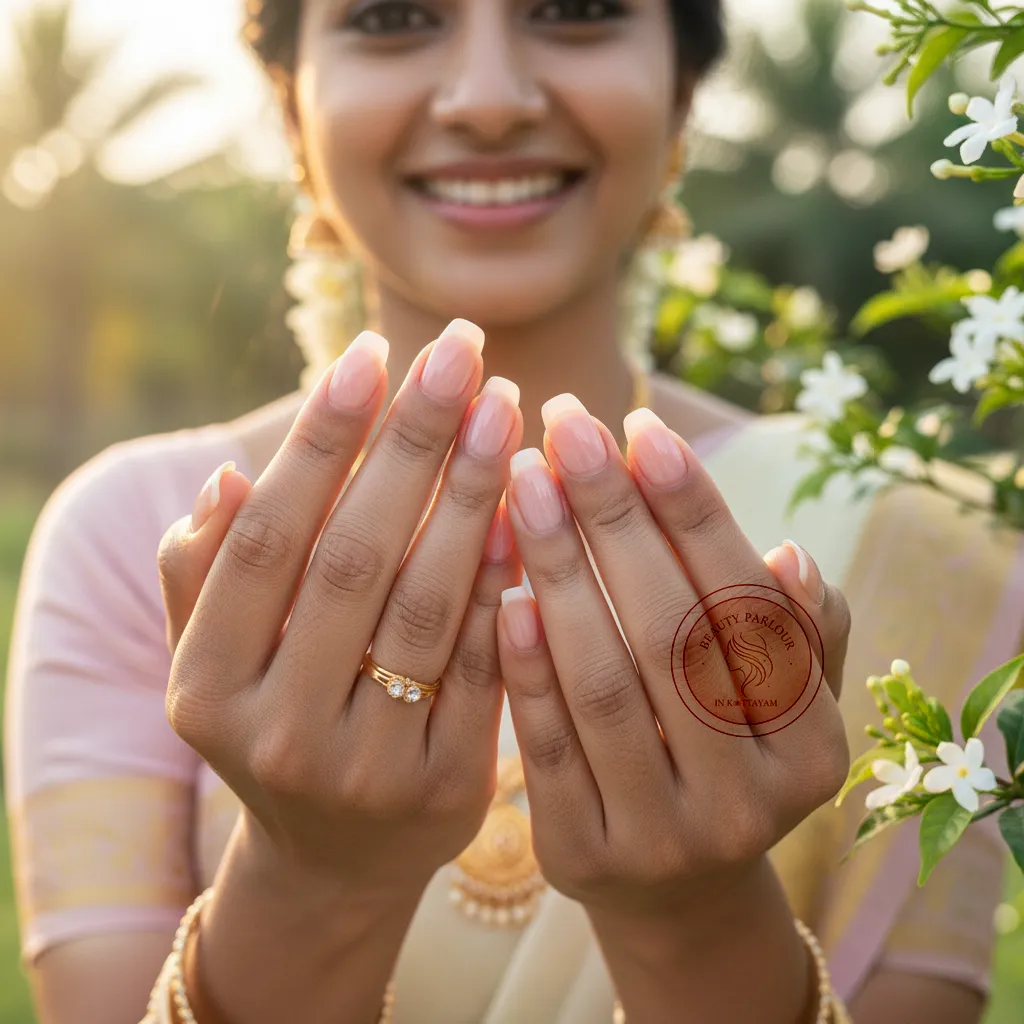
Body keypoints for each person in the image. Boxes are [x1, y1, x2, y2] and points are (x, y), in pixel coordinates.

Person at [4, 0, 1021, 1021]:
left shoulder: (915, 554)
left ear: (680, 92)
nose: (489, 103)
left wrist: (696, 918)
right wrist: (317, 881)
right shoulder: (140, 535)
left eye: (574, 10)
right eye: (394, 16)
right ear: (290, 102)